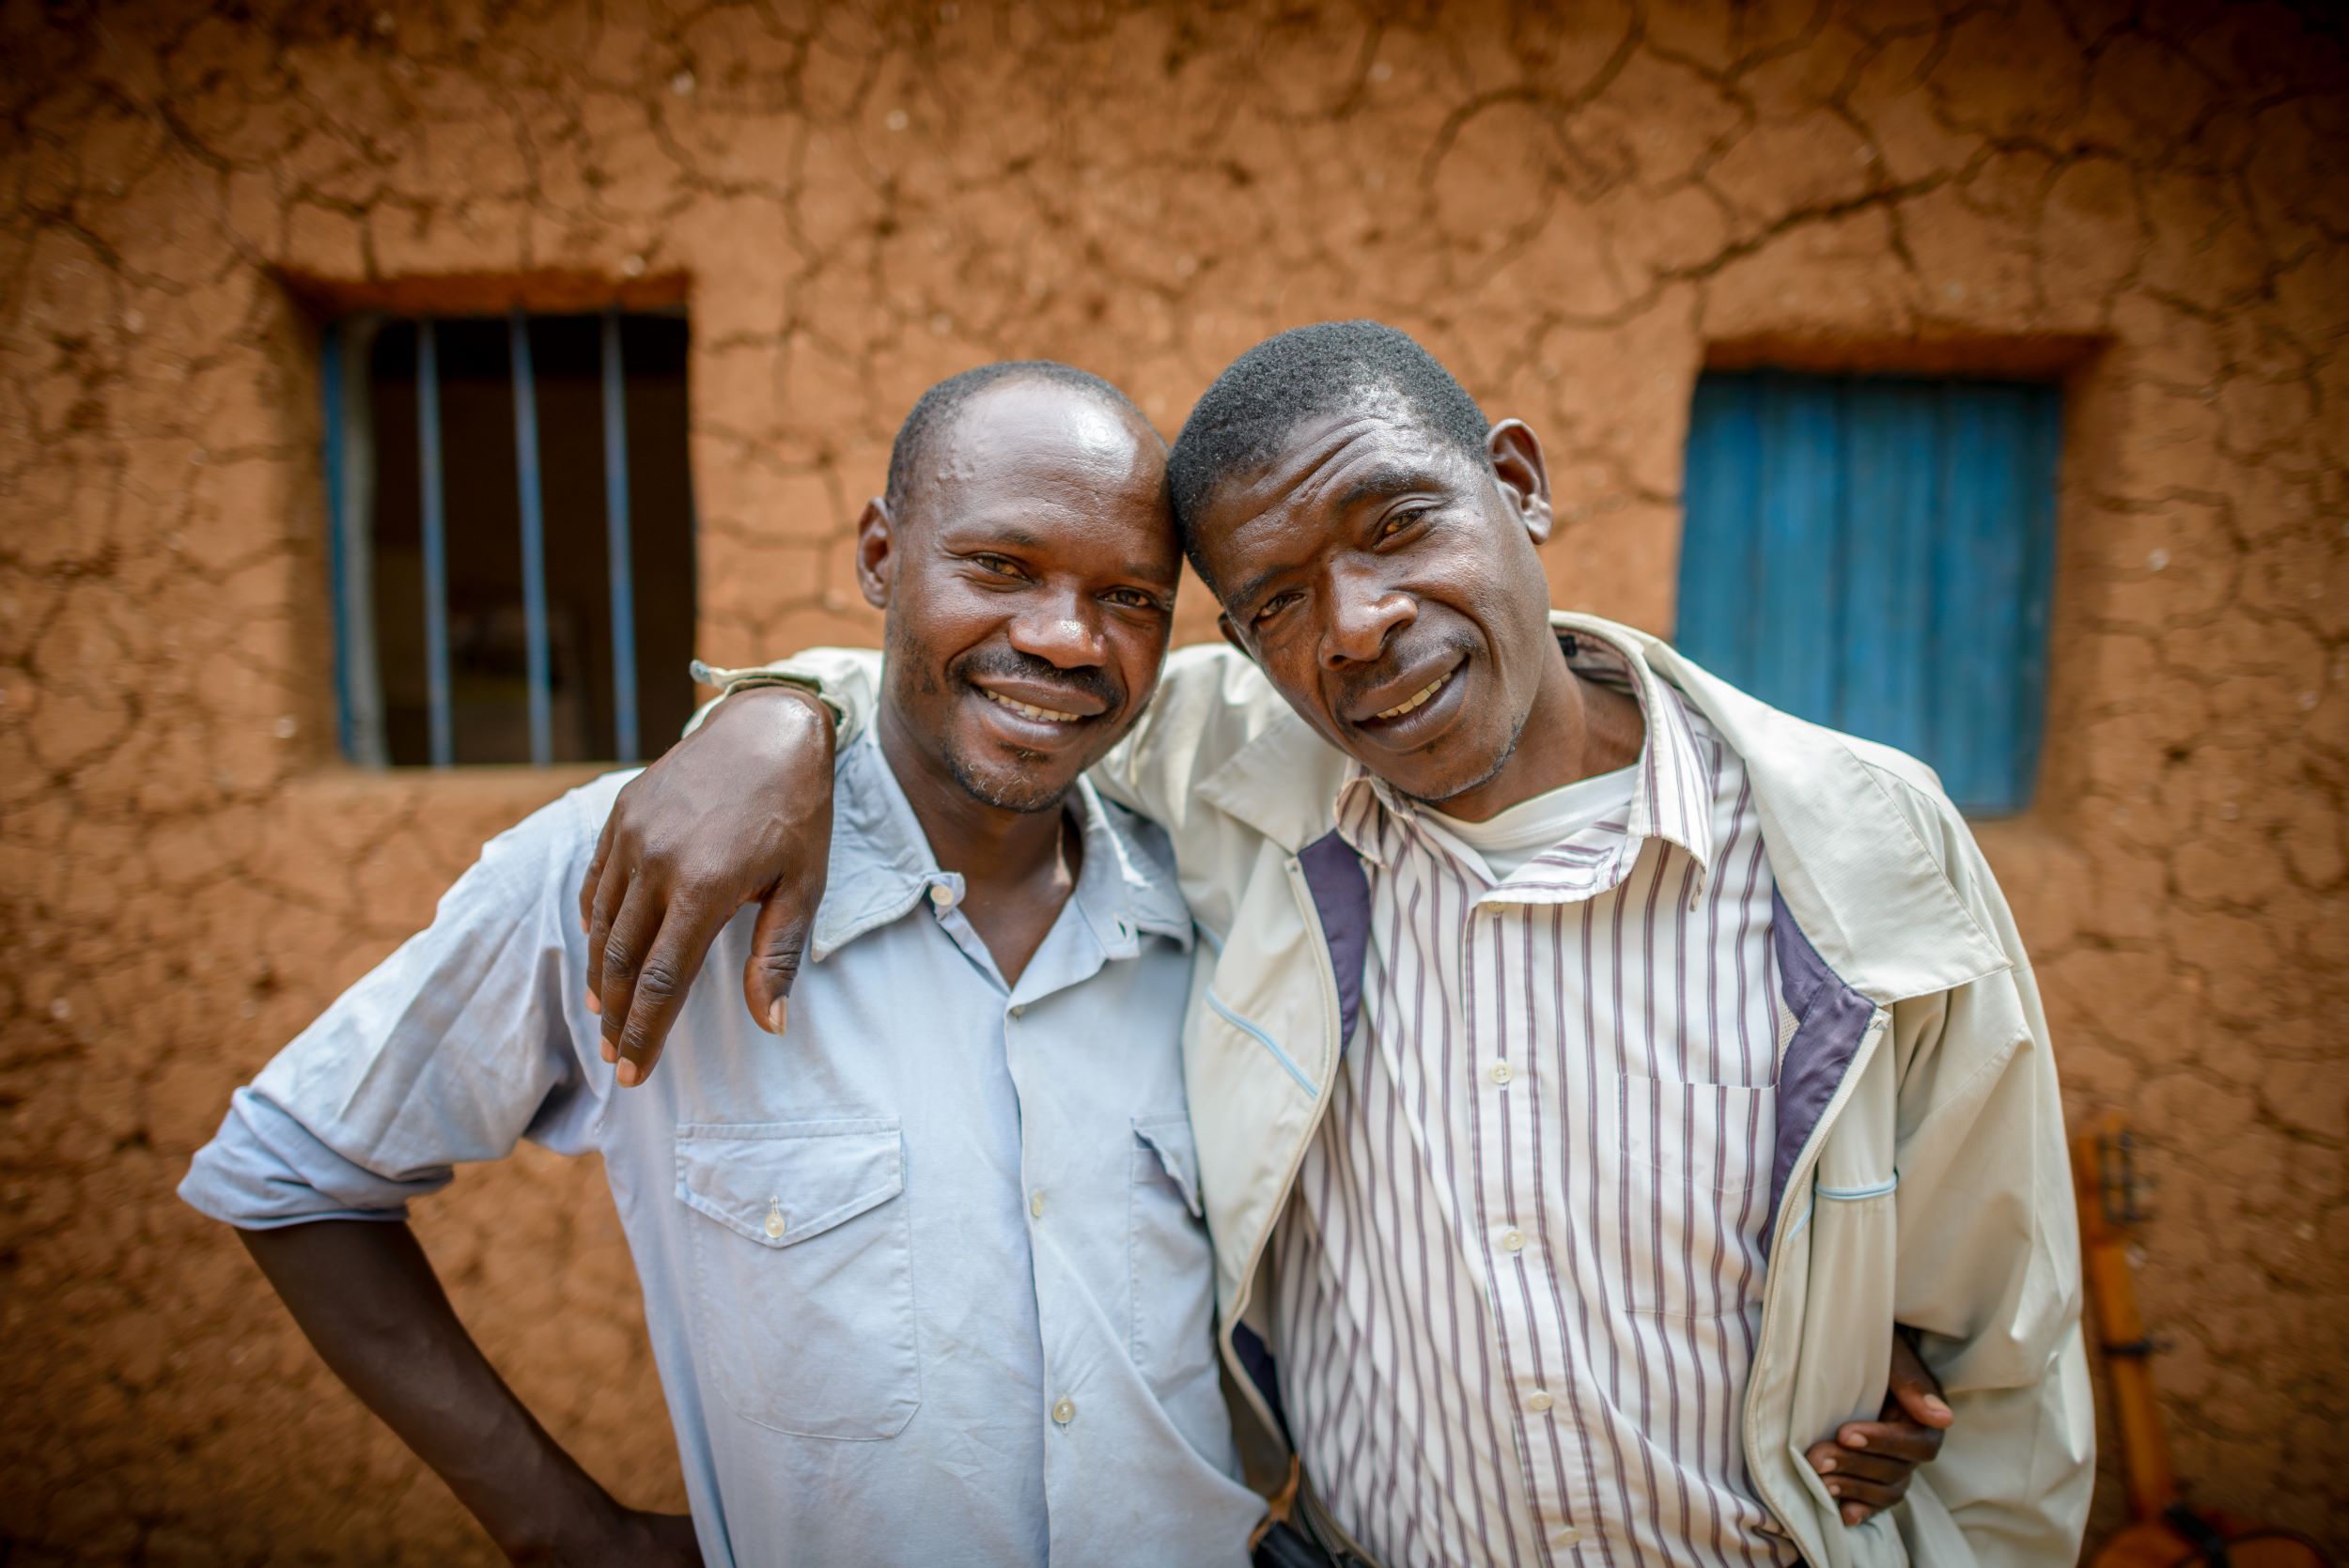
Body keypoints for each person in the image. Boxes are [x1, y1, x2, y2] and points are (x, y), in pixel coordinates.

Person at [583, 323, 2091, 1567]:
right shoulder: (1249, 781)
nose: (1357, 625)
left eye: (1398, 525)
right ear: (1239, 645)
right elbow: (990, 685)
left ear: (1517, 481)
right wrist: (779, 708)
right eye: (1280, 601)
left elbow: (2005, 1360)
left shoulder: (1851, 840)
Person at [179, 363, 1272, 1566]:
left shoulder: (1201, 902)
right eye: (1000, 568)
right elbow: (289, 1170)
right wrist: (561, 1530)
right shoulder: (649, 867)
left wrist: (783, 700)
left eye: (1127, 597)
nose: (1066, 638)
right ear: (878, 558)